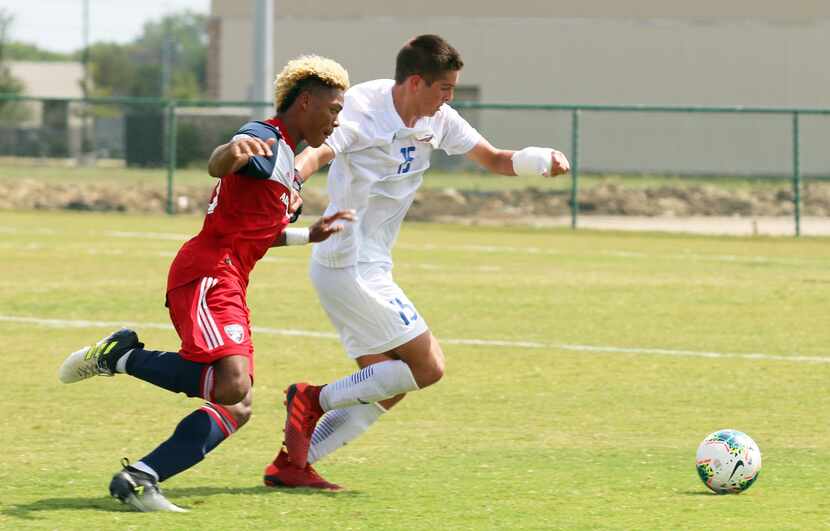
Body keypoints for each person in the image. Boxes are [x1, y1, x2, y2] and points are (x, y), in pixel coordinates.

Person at [263, 35, 570, 488]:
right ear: (414, 82)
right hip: (348, 264)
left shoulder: (437, 118)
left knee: (389, 385)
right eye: (444, 88)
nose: (449, 98)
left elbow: (495, 159)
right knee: (428, 367)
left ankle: (292, 464)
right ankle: (311, 399)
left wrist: (540, 160)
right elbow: (319, 152)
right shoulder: (362, 108)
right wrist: (290, 182)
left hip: (369, 265)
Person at [58, 55, 354, 511]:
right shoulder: (265, 137)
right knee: (233, 385)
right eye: (333, 109)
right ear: (308, 102)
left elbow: (254, 232)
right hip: (207, 274)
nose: (337, 120)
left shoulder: (287, 167)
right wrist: (229, 154)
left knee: (237, 406)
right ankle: (122, 357)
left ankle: (140, 477)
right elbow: (225, 158)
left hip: (229, 279)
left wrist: (305, 235)